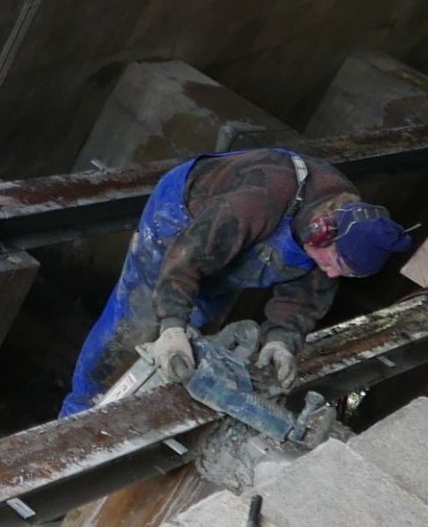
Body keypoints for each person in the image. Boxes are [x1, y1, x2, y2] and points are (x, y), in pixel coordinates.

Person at [61, 144, 412, 415]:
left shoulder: (343, 228)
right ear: (320, 233)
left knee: (198, 326)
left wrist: (282, 340)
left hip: (234, 245)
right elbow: (187, 259)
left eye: (344, 273)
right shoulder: (259, 198)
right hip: (184, 224)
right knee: (134, 328)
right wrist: (170, 325)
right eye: (336, 264)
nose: (333, 273)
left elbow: (306, 295)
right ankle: (81, 408)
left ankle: (145, 400)